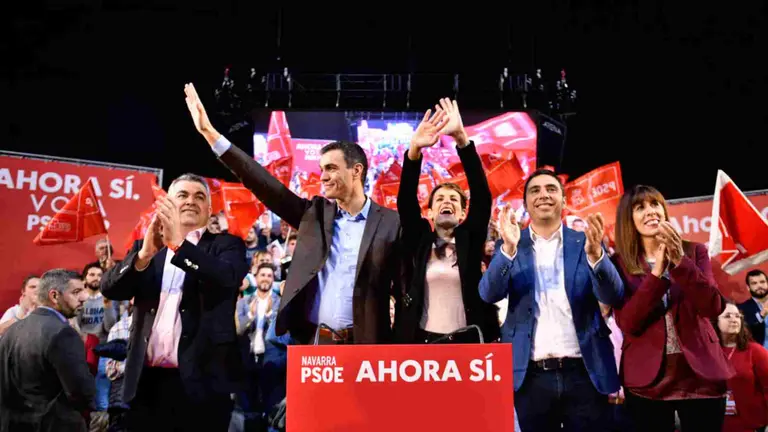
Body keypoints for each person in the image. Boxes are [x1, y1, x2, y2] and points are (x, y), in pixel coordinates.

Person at [184, 82, 402, 344]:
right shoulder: (314, 215)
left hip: (367, 346)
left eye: (331, 168)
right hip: (316, 343)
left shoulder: (391, 222)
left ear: (356, 171)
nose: (323, 177)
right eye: (321, 169)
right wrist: (210, 134)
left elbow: (406, 284)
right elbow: (264, 184)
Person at [479, 168, 624, 431]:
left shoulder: (586, 242)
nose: (543, 195)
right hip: (530, 376)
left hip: (585, 373)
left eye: (551, 189)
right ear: (525, 204)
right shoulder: (511, 244)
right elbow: (488, 293)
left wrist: (596, 257)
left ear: (564, 200)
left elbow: (613, 295)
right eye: (535, 190)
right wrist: (508, 249)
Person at [101, 173, 248, 431]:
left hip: (203, 386)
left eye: (199, 197)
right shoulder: (147, 248)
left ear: (209, 210)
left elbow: (226, 277)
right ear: (168, 203)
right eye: (182, 195)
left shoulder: (227, 246)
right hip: (146, 384)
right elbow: (110, 288)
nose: (191, 201)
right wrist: (144, 255)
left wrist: (179, 244)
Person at [611, 185, 733, 431]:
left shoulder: (695, 251)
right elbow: (629, 322)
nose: (650, 211)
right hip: (647, 380)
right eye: (640, 207)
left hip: (701, 374)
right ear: (628, 218)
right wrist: (656, 274)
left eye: (655, 204)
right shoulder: (618, 263)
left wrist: (679, 260)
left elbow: (712, 306)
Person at [396, 99, 499, 344]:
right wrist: (414, 151)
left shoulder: (470, 239)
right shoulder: (419, 239)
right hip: (423, 342)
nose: (447, 202)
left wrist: (462, 139)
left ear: (462, 214)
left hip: (467, 341)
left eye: (454, 199)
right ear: (430, 212)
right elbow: (406, 202)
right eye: (440, 199)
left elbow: (482, 197)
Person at [0, 269, 94, 432]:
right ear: (54, 296)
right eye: (76, 292)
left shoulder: (11, 330)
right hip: (54, 425)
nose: (84, 297)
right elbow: (81, 392)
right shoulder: (63, 333)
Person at [714, 302, 768, 432]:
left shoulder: (755, 351)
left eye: (737, 316)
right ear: (715, 322)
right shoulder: (707, 353)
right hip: (716, 424)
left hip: (752, 426)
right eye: (727, 316)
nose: (734, 320)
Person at [737, 269, 768, 347]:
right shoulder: (741, 309)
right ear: (748, 287)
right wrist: (760, 316)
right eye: (754, 283)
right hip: (761, 352)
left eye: (762, 282)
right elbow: (742, 332)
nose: (759, 286)